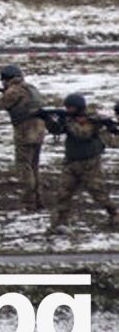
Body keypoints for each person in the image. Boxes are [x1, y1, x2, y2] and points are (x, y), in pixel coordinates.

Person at [45, 93, 117, 235]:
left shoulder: (91, 120)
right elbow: (57, 130)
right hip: (71, 162)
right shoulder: (71, 119)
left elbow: (82, 134)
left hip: (89, 163)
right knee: (63, 194)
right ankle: (59, 223)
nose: (68, 110)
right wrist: (48, 120)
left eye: (70, 108)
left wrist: (68, 121)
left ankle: (114, 212)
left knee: (98, 192)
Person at [0, 65, 46, 209]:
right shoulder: (31, 88)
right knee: (34, 166)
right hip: (39, 130)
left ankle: (28, 201)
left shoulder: (14, 90)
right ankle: (38, 199)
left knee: (24, 167)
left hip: (25, 131)